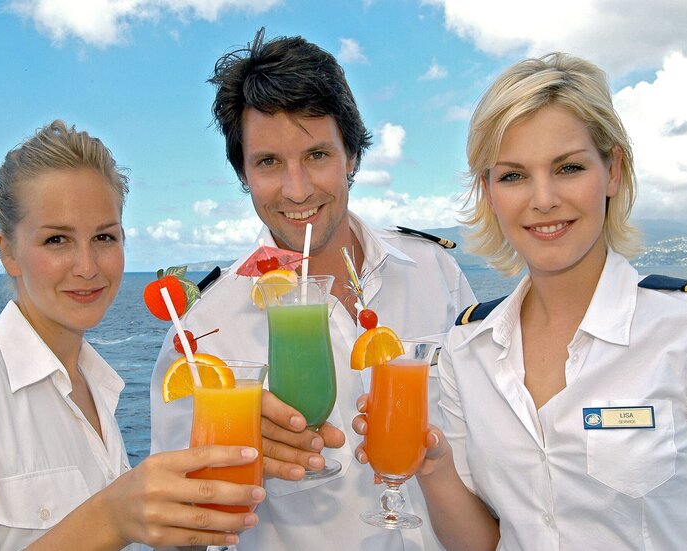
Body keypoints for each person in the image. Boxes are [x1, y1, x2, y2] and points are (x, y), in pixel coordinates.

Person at [354, 52, 687, 550]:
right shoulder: (465, 347)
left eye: (568, 167)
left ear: (613, 171)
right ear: (489, 192)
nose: (542, 199)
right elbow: (481, 543)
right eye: (513, 175)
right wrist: (431, 470)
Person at [150, 28, 475, 550]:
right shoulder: (203, 334)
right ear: (243, 175)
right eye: (269, 163)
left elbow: (487, 453)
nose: (297, 189)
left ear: (352, 157)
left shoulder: (434, 272)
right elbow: (177, 536)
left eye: (318, 155)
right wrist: (236, 465)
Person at [0, 120, 266, 550]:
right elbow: (108, 524)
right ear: (8, 251)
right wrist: (112, 517)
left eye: (103, 237)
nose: (87, 266)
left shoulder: (94, 383)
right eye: (57, 239)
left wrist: (186, 529)